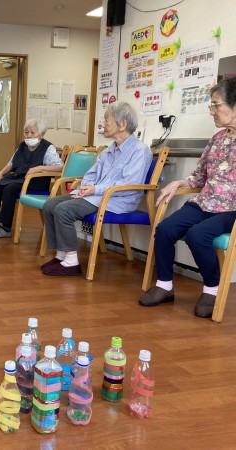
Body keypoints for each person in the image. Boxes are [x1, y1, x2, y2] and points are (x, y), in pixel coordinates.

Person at [139, 77, 236, 318]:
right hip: (204, 203)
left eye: (216, 105)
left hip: (231, 210)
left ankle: (211, 290)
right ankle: (164, 285)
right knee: (164, 229)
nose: (212, 111)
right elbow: (199, 176)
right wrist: (179, 183)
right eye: (211, 105)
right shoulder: (217, 139)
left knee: (197, 235)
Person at [41, 102, 152, 276]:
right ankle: (61, 255)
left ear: (122, 124)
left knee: (64, 210)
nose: (103, 124)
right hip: (97, 195)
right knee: (50, 205)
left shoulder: (140, 151)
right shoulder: (108, 151)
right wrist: (86, 187)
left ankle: (71, 262)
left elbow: (128, 185)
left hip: (118, 200)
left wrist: (95, 189)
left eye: (107, 120)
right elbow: (91, 174)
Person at [0, 118, 62, 238]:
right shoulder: (22, 146)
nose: (29, 135)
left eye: (32, 133)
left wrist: (39, 168)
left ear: (41, 134)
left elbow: (60, 167)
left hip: (35, 182)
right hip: (18, 178)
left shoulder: (48, 147)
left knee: (9, 189)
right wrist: (1, 173)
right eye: (26, 132)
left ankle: (6, 228)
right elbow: (11, 163)